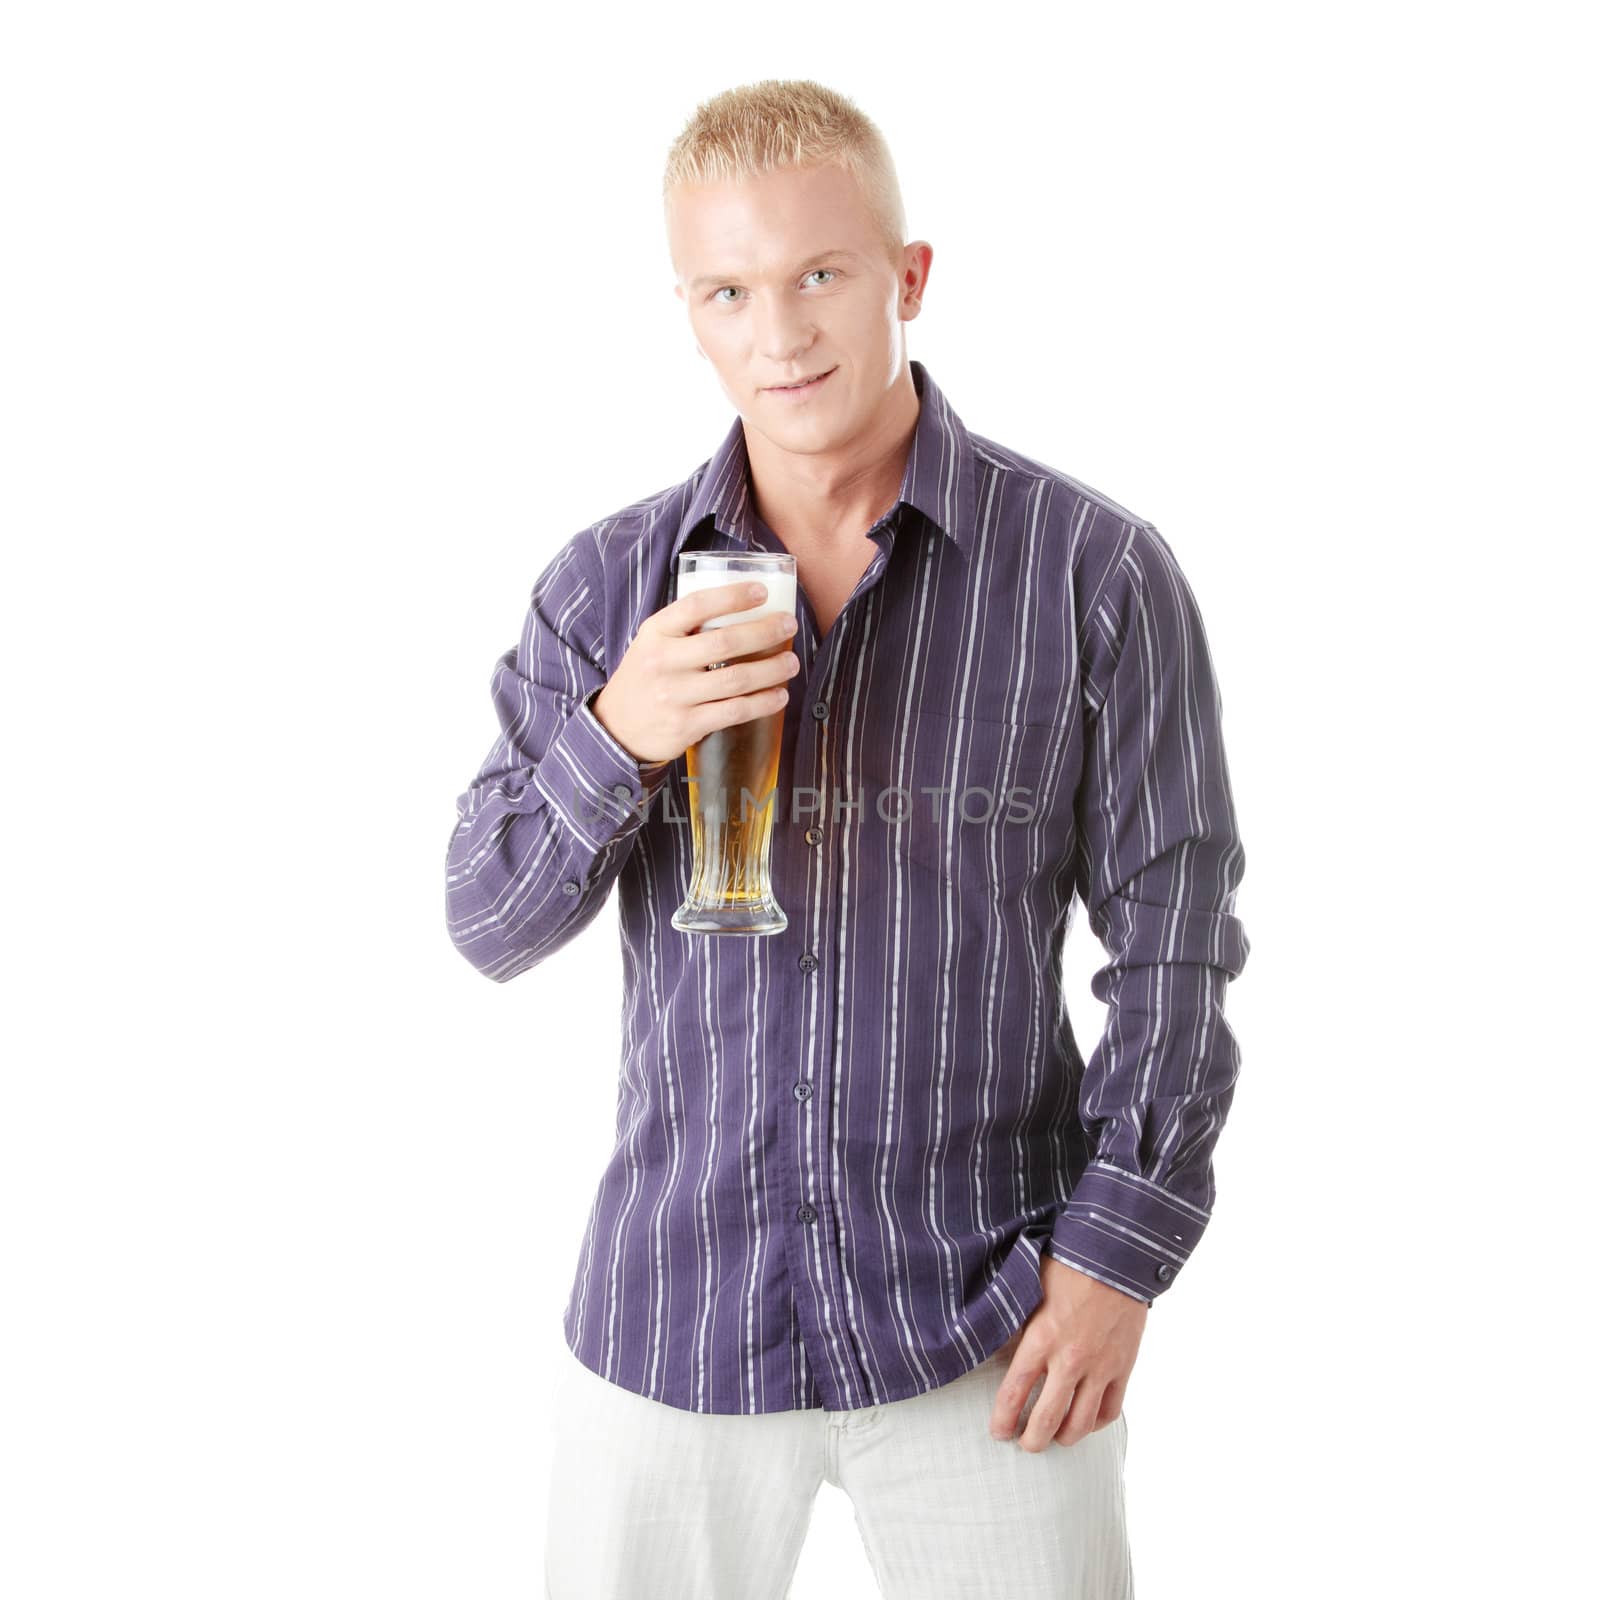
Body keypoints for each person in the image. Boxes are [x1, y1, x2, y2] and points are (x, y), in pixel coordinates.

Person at [445, 77, 1250, 1600]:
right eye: (729, 290)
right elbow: (485, 918)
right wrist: (617, 734)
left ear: (910, 278)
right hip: (670, 1320)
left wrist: (1118, 1258)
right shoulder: (610, 586)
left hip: (989, 1321)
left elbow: (1179, 942)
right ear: (689, 315)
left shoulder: (1097, 575)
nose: (781, 329)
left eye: (820, 273)